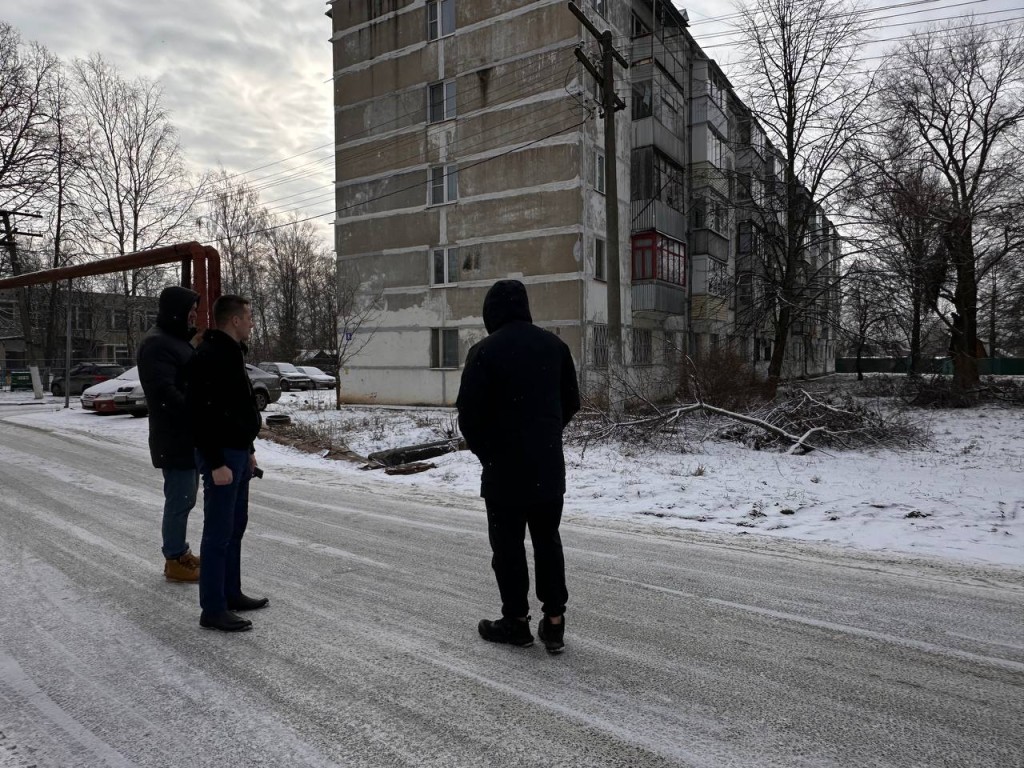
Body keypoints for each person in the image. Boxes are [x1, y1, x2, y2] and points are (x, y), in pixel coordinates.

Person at [456, 279, 581, 654]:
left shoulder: (484, 352)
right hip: (546, 467)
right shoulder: (555, 347)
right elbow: (571, 401)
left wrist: (490, 453)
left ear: (490, 312)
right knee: (547, 542)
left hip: (503, 472)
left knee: (508, 548)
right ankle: (554, 622)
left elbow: (469, 416)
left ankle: (516, 623)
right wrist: (543, 434)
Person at [186, 294, 268, 632]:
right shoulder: (209, 356)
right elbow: (199, 414)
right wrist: (216, 461)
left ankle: (231, 593)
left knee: (235, 528)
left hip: (237, 453)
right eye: (248, 316)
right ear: (234, 320)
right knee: (218, 532)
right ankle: (213, 608)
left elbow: (236, 409)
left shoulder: (233, 354)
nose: (251, 321)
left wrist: (247, 448)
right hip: (220, 457)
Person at [137, 286, 201, 582]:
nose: (194, 316)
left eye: (195, 312)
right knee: (179, 499)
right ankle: (174, 558)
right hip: (174, 436)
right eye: (190, 311)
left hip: (185, 435)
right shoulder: (158, 344)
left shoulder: (174, 340)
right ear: (175, 311)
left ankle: (180, 552)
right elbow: (164, 392)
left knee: (185, 498)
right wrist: (196, 410)